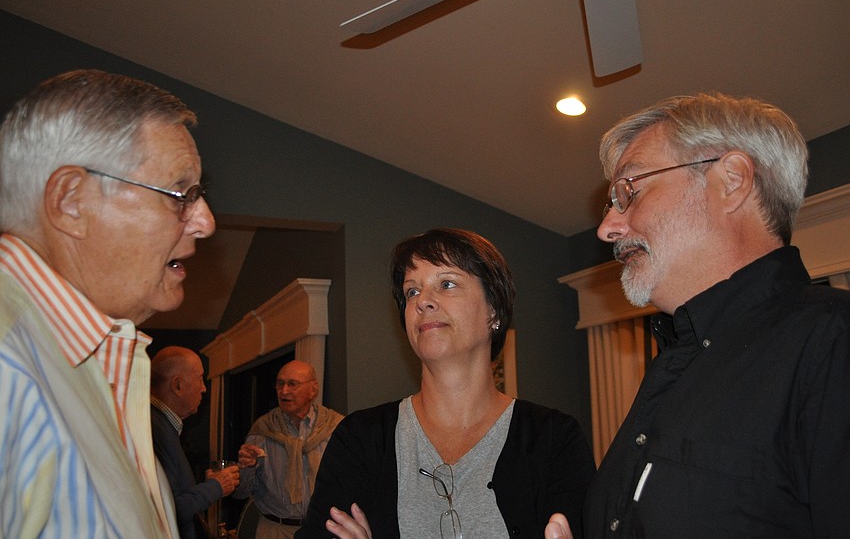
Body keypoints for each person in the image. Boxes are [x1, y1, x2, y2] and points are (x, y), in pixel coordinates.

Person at [546, 92, 850, 539]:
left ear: (731, 180)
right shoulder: (677, 364)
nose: (607, 228)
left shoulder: (834, 341)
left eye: (629, 190)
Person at [0, 69, 215, 537]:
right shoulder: (8, 366)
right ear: (71, 201)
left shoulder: (101, 364)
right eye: (182, 194)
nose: (205, 221)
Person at [298, 228, 596, 538]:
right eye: (412, 291)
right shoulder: (360, 440)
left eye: (447, 284)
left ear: (494, 309)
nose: (423, 301)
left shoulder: (554, 440)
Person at [235, 360, 344, 538]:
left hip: (322, 529)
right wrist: (246, 468)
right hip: (273, 529)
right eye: (280, 384)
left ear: (313, 390)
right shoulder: (262, 430)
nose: (284, 391)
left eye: (292, 384)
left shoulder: (335, 428)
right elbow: (240, 493)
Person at [151, 346, 241, 538]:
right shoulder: (154, 429)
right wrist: (215, 487)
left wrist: (206, 485)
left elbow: (173, 491)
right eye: (200, 379)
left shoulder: (162, 425)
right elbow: (165, 511)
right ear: (177, 385)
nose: (204, 388)